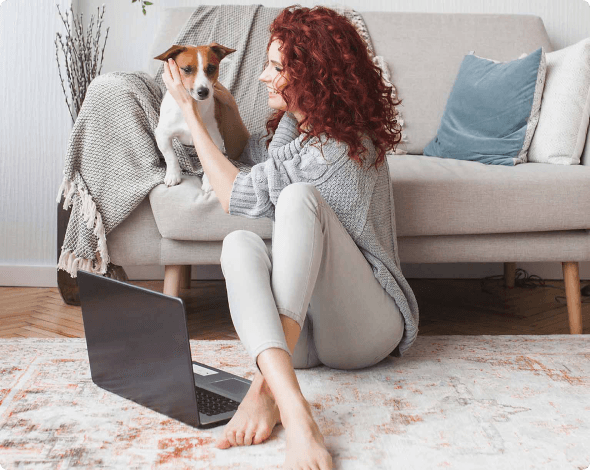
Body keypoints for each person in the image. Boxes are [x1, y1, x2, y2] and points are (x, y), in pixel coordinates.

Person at [162, 5, 419, 470]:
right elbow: (245, 154)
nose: (262, 76)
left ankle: (284, 405)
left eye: (276, 68)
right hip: (298, 342)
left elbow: (235, 194)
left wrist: (191, 117)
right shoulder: (293, 128)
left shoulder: (344, 145)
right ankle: (283, 386)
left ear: (314, 75)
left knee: (298, 198)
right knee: (237, 244)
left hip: (365, 331)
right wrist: (228, 107)